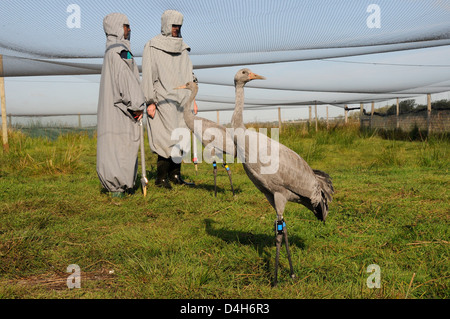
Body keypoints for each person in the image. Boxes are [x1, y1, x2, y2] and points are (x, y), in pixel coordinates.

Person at [142, 9, 197, 189]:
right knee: (165, 137)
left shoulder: (183, 48)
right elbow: (148, 75)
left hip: (183, 99)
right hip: (163, 99)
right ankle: (161, 178)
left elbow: (190, 74)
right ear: (166, 25)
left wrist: (193, 99)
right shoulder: (152, 45)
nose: (176, 29)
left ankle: (175, 175)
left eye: (179, 26)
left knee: (180, 136)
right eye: (174, 25)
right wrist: (150, 101)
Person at [97, 13, 146, 197]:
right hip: (122, 111)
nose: (129, 30)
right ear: (117, 28)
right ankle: (120, 187)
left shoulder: (110, 51)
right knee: (122, 145)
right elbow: (126, 80)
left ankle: (118, 186)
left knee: (113, 146)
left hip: (113, 109)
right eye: (126, 26)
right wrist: (137, 105)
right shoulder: (120, 52)